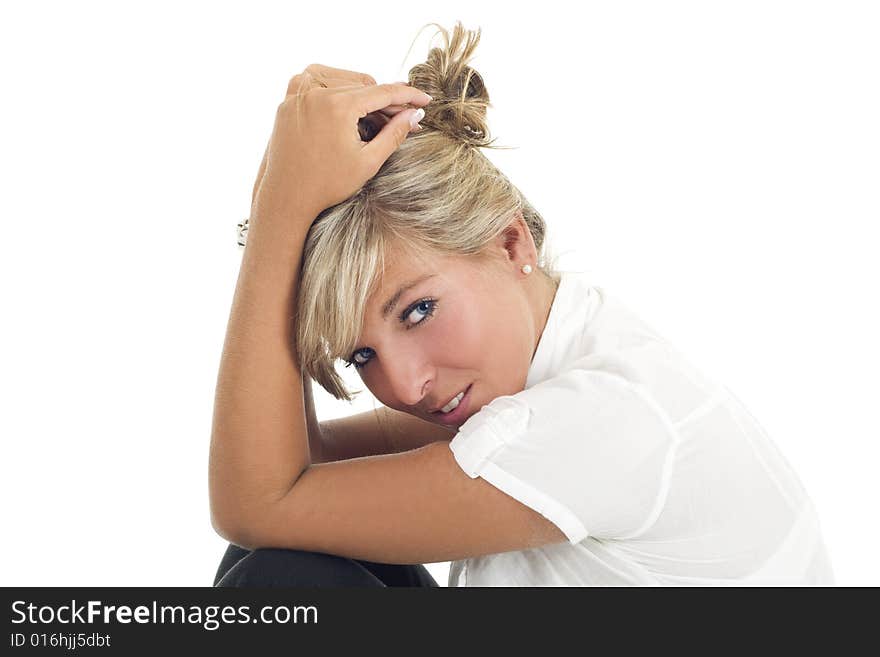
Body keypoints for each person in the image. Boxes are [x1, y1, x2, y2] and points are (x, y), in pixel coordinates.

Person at [209, 21, 834, 586]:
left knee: (285, 582)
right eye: (362, 354)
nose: (403, 383)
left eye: (419, 311)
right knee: (285, 558)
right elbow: (285, 465)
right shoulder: (564, 348)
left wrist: (280, 215)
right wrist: (286, 186)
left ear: (512, 244)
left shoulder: (600, 423)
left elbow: (255, 499)